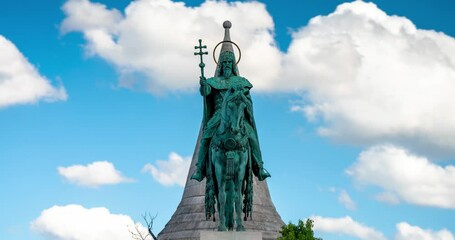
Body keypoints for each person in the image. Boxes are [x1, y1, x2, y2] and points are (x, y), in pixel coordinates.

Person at [191, 50, 270, 182]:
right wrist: (203, 86)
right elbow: (206, 92)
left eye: (229, 62)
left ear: (233, 64)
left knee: (252, 136)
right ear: (220, 65)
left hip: (237, 116)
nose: (227, 64)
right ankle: (199, 169)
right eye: (224, 62)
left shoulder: (241, 82)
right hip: (218, 116)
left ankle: (259, 167)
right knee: (205, 137)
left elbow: (247, 100)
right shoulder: (213, 81)